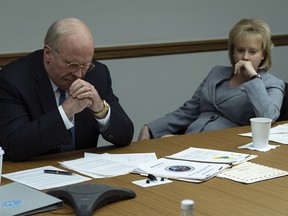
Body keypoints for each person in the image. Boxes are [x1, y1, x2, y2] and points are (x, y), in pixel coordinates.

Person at [0, 18, 134, 161]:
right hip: (32, 174)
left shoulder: (96, 74)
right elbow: (14, 146)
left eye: (86, 65)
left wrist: (100, 109)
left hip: (83, 175)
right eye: (72, 64)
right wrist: (66, 112)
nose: (79, 74)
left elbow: (125, 135)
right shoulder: (12, 79)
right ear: (48, 53)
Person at [138, 18, 285, 141]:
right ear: (233, 52)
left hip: (228, 147)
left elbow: (268, 118)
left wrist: (253, 77)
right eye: (240, 50)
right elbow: (189, 111)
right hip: (191, 138)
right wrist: (151, 128)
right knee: (163, 142)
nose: (245, 57)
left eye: (253, 51)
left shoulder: (272, 84)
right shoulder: (217, 73)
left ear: (264, 54)